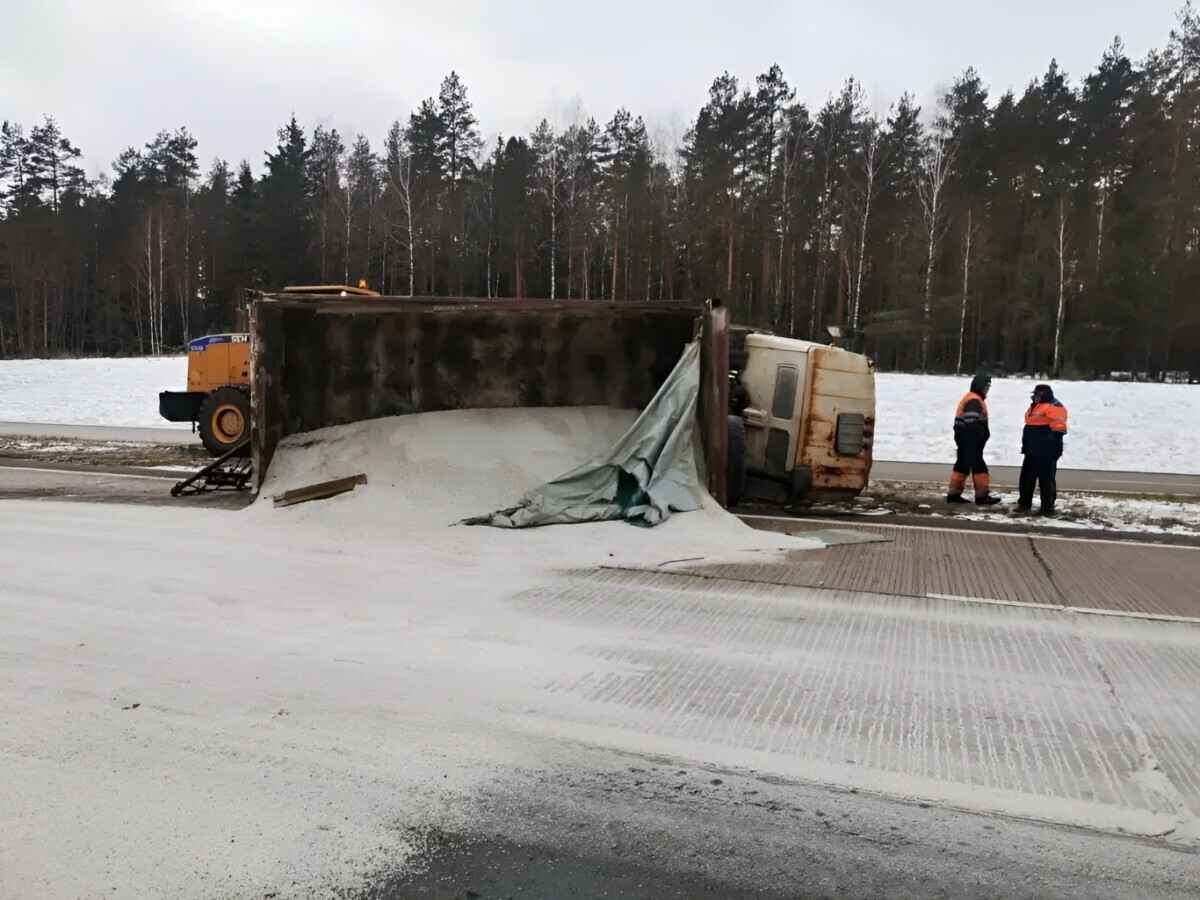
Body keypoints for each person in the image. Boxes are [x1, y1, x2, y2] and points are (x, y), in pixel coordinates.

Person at [947, 373, 1002, 505]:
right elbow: (971, 422)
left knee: (962, 466)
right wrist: (976, 440)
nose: (987, 389)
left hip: (964, 439)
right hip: (970, 440)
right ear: (980, 386)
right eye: (986, 386)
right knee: (979, 468)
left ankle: (953, 495)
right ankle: (982, 497)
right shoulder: (974, 400)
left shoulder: (972, 398)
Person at [1019, 384, 1069, 515]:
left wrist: (1051, 446)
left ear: (1043, 395)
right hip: (1032, 450)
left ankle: (1047, 508)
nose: (1033, 397)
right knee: (1026, 478)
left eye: (1036, 394)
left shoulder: (1054, 406)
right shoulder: (1036, 406)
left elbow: (1059, 429)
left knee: (1046, 480)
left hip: (1046, 451)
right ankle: (1024, 504)